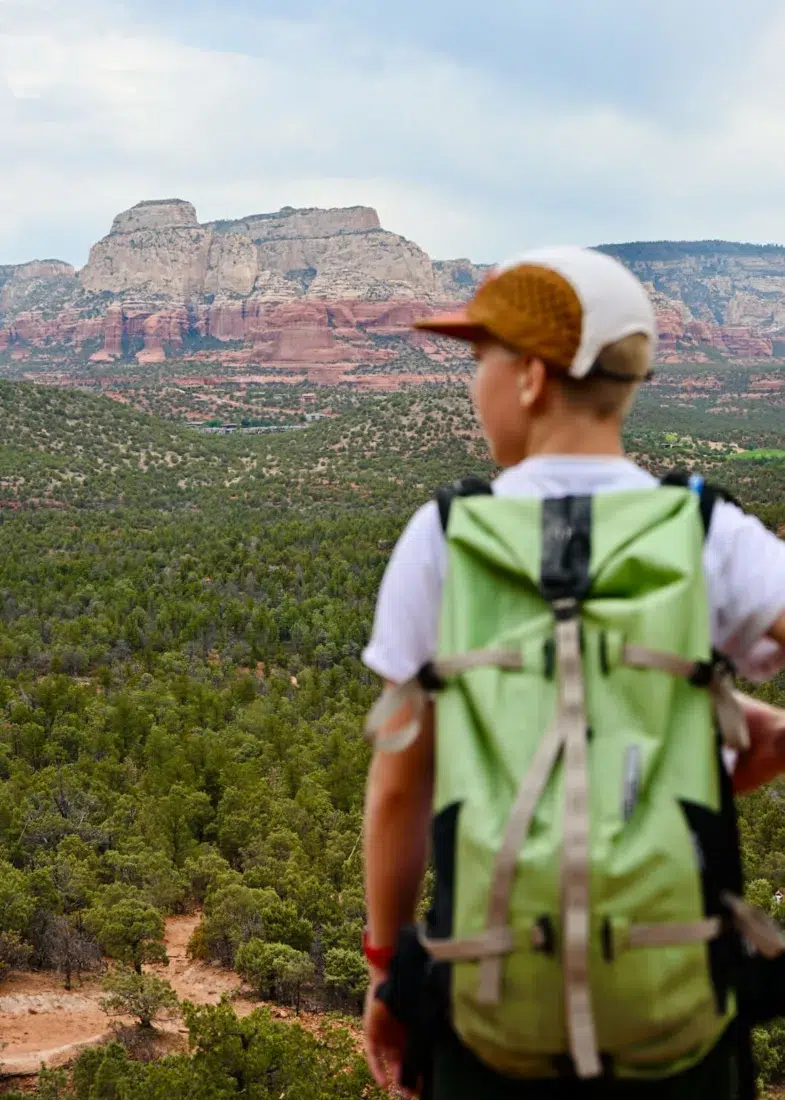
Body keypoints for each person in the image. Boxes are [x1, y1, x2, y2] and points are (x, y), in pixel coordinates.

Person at [360, 246, 785, 1099]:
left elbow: (399, 787)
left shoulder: (443, 535)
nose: (471, 383)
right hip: (677, 1004)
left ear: (528, 379)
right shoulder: (706, 531)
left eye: (480, 361)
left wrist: (386, 971)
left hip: (488, 1009)